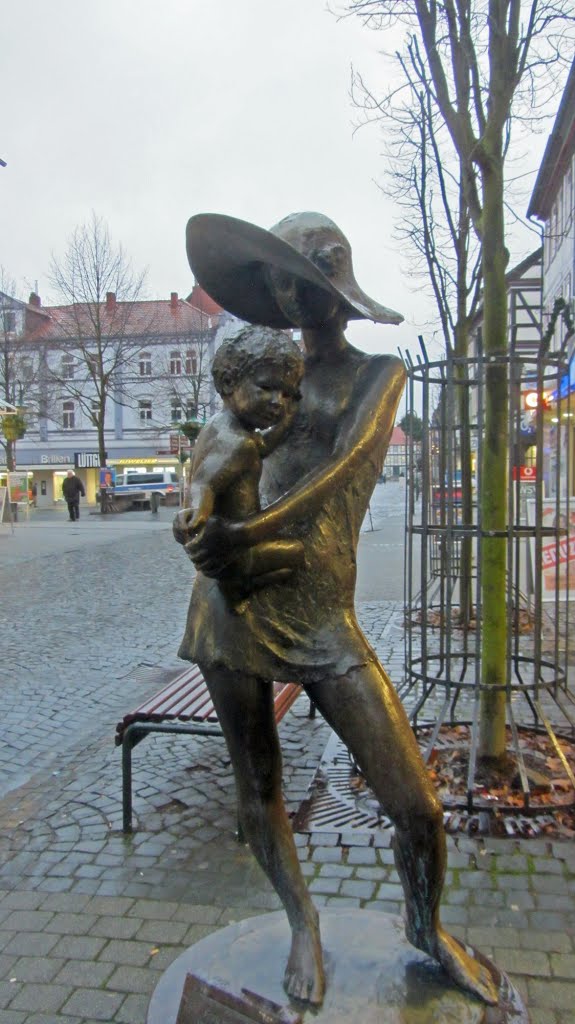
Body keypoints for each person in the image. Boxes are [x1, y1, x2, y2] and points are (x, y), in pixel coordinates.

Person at [174, 211, 497, 1008]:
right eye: (277, 277)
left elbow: (339, 473)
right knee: (259, 788)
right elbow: (208, 456)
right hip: (233, 603)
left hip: (319, 608)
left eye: (307, 277)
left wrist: (248, 531)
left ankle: (425, 928)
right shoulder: (251, 371)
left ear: (336, 290)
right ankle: (301, 922)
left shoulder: (377, 374)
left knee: (415, 807)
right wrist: (201, 532)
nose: (289, 293)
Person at [186, 324, 305, 611]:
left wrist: (288, 421)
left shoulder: (218, 426)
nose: (278, 402)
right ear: (229, 383)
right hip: (235, 552)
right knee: (296, 553)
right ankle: (239, 586)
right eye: (266, 388)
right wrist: (196, 514)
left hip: (227, 547)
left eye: (287, 395)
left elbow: (261, 447)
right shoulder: (238, 443)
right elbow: (205, 483)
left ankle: (236, 585)